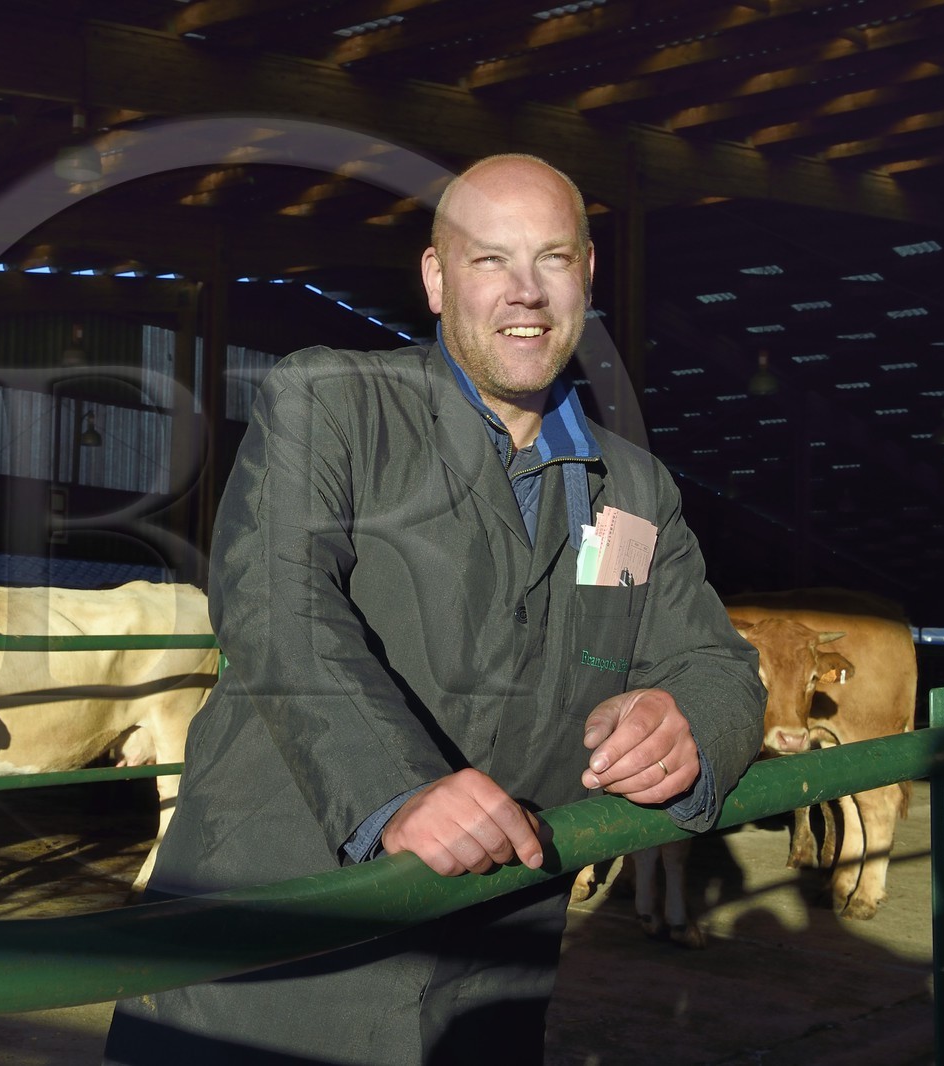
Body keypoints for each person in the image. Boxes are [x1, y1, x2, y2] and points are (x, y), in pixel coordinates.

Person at [102, 154, 766, 1064]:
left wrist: (685, 721)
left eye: (553, 258)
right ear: (435, 277)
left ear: (587, 275)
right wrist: (396, 790)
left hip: (490, 978)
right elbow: (276, 601)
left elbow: (717, 661)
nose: (525, 292)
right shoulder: (332, 400)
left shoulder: (635, 488)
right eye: (490, 260)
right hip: (273, 956)